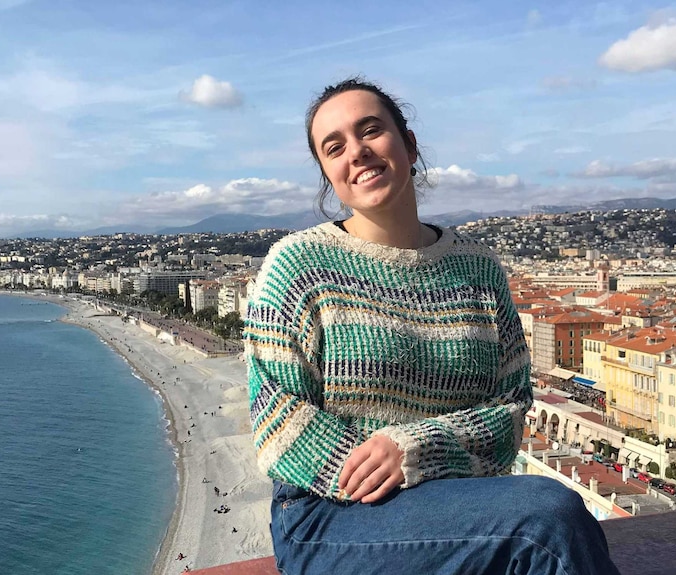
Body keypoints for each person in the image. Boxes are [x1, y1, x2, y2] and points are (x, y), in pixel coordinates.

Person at [244, 76, 621, 575]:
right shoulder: (297, 267)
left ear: (409, 143)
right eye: (334, 147)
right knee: (548, 523)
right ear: (328, 174)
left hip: (454, 509)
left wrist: (414, 450)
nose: (356, 152)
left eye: (371, 130)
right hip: (327, 516)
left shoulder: (478, 270)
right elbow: (276, 421)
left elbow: (509, 412)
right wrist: (370, 474)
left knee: (548, 520)